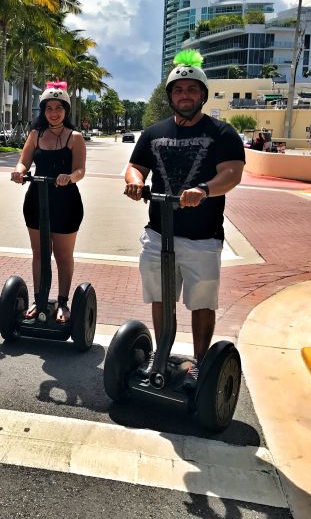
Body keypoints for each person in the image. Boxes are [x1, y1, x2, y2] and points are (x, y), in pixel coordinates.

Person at [124, 50, 245, 386]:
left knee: (201, 303)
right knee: (161, 299)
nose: (185, 95)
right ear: (170, 96)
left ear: (203, 95)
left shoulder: (223, 133)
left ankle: (200, 363)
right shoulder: (153, 132)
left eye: (192, 89)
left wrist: (204, 189)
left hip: (202, 237)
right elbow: (136, 166)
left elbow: (232, 173)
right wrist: (134, 182)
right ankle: (161, 357)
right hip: (158, 232)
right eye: (178, 90)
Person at [11, 81, 86, 323]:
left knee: (63, 255)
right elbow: (24, 161)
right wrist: (18, 171)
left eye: (59, 108)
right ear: (43, 111)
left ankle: (63, 302)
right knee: (40, 253)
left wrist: (69, 177)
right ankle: (39, 299)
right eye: (49, 108)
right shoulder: (35, 134)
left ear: (66, 110)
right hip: (36, 199)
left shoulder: (75, 137)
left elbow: (80, 170)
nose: (54, 113)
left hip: (66, 202)